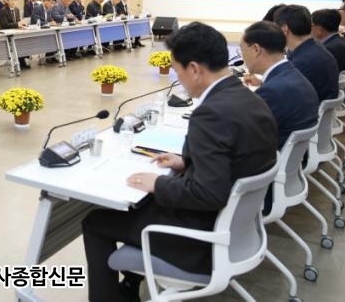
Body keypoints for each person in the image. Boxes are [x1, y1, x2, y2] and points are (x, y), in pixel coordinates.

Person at [82, 22, 278, 302]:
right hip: (238, 229)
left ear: (195, 69)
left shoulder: (211, 114)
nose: (177, 77)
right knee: (143, 203)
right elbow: (236, 157)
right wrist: (187, 161)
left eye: (177, 70)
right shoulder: (249, 98)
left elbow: (209, 193)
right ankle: (130, 285)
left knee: (95, 220)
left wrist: (158, 184)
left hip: (200, 241)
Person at [241, 21, 319, 149]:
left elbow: (244, 132)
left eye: (242, 50)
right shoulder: (292, 74)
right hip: (298, 153)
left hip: (273, 155)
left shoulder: (272, 91)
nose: (243, 56)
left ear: (256, 49)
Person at [274, 5, 339, 102]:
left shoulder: (302, 62)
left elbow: (282, 96)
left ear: (284, 29)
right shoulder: (316, 48)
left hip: (306, 108)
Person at [0, 0, 30, 69]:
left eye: (15, 0)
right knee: (20, 42)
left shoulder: (17, 9)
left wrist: (22, 24)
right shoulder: (3, 10)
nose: (13, 2)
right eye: (11, 0)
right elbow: (4, 25)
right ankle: (21, 62)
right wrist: (17, 24)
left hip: (16, 33)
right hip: (7, 35)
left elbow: (18, 21)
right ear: (7, 1)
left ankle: (22, 60)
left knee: (26, 39)